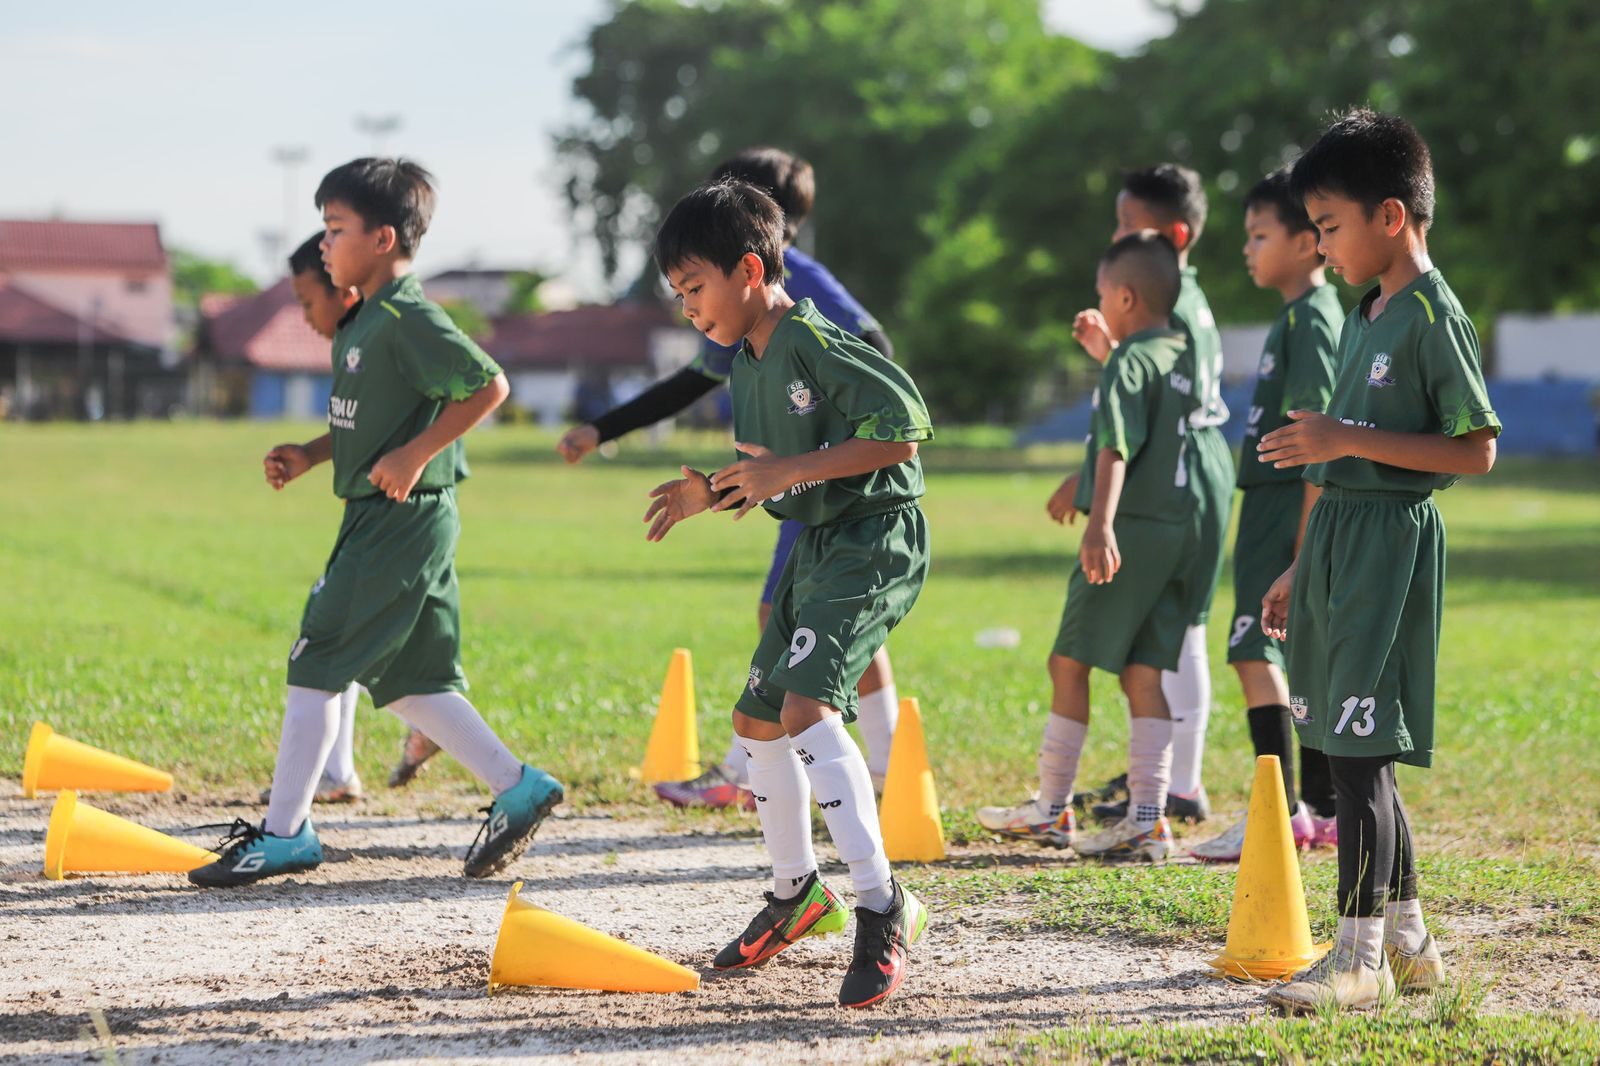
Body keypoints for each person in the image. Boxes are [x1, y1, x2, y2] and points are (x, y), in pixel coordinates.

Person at [190, 158, 564, 887]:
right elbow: (375, 425)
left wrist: (419, 454)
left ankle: (286, 832)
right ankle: (519, 787)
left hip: (400, 519)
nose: (324, 244)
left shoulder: (408, 318)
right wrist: (310, 452)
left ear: (384, 238)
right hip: (389, 517)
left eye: (335, 229)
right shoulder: (362, 324)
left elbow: (489, 386)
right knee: (406, 679)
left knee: (318, 656)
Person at [643, 179, 932, 1007]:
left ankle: (882, 905)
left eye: (694, 289)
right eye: (678, 296)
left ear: (747, 269)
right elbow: (769, 475)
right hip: (818, 543)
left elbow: (902, 430)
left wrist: (788, 472)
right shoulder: (747, 359)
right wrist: (718, 492)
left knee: (808, 711)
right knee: (754, 722)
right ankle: (797, 892)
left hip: (874, 542)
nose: (689, 309)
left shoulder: (812, 337)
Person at [553, 147, 903, 810]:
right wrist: (606, 430)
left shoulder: (786, 284)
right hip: (805, 480)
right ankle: (878, 766)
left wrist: (821, 445)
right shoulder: (747, 294)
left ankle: (759, 771)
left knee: (788, 612)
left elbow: (873, 350)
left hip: (828, 483)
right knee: (825, 619)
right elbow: (696, 378)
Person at [1259, 109, 1499, 1011]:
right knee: (1359, 749)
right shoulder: (1367, 310)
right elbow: (1340, 454)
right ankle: (1409, 944)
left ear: (1390, 217)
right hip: (1340, 544)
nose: (1320, 247)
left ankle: (1354, 962)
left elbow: (1475, 450)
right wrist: (1298, 565)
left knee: (1358, 754)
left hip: (1391, 549)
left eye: (1329, 227)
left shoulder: (1436, 316)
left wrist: (1342, 435)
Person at [978, 231, 1201, 862]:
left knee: (1068, 662)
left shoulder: (1130, 361)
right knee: (1143, 670)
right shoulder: (1182, 355)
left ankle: (1051, 810)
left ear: (1124, 296)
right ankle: (1149, 819)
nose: (1099, 300)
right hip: (1182, 528)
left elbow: (1116, 445)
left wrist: (1098, 520)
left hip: (1128, 526)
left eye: (1103, 292)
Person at [1188, 169, 1343, 862]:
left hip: (1288, 506)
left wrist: (1301, 550)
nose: (1248, 249)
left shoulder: (1313, 318)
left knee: (1257, 654)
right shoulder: (1297, 314)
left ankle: (1275, 814)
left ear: (1311, 242)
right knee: (1291, 658)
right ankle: (1315, 808)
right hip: (1274, 504)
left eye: (1260, 235)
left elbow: (1318, 437)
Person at [1072, 164, 1232, 826]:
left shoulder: (1181, 312)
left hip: (1183, 481)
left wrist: (1114, 356)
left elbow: (1167, 406)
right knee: (1172, 632)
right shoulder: (1180, 303)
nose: (1116, 236)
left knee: (1180, 629)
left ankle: (1182, 782)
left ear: (1172, 234)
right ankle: (1167, 776)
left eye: (1127, 223)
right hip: (1179, 472)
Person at [255, 234, 366, 807]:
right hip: (369, 515)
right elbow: (357, 428)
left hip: (400, 518)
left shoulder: (387, 330)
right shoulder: (350, 337)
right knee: (350, 642)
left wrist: (406, 465)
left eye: (305, 300)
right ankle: (339, 770)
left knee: (328, 641)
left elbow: (470, 394)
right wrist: (309, 454)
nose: (302, 315)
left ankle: (515, 783)